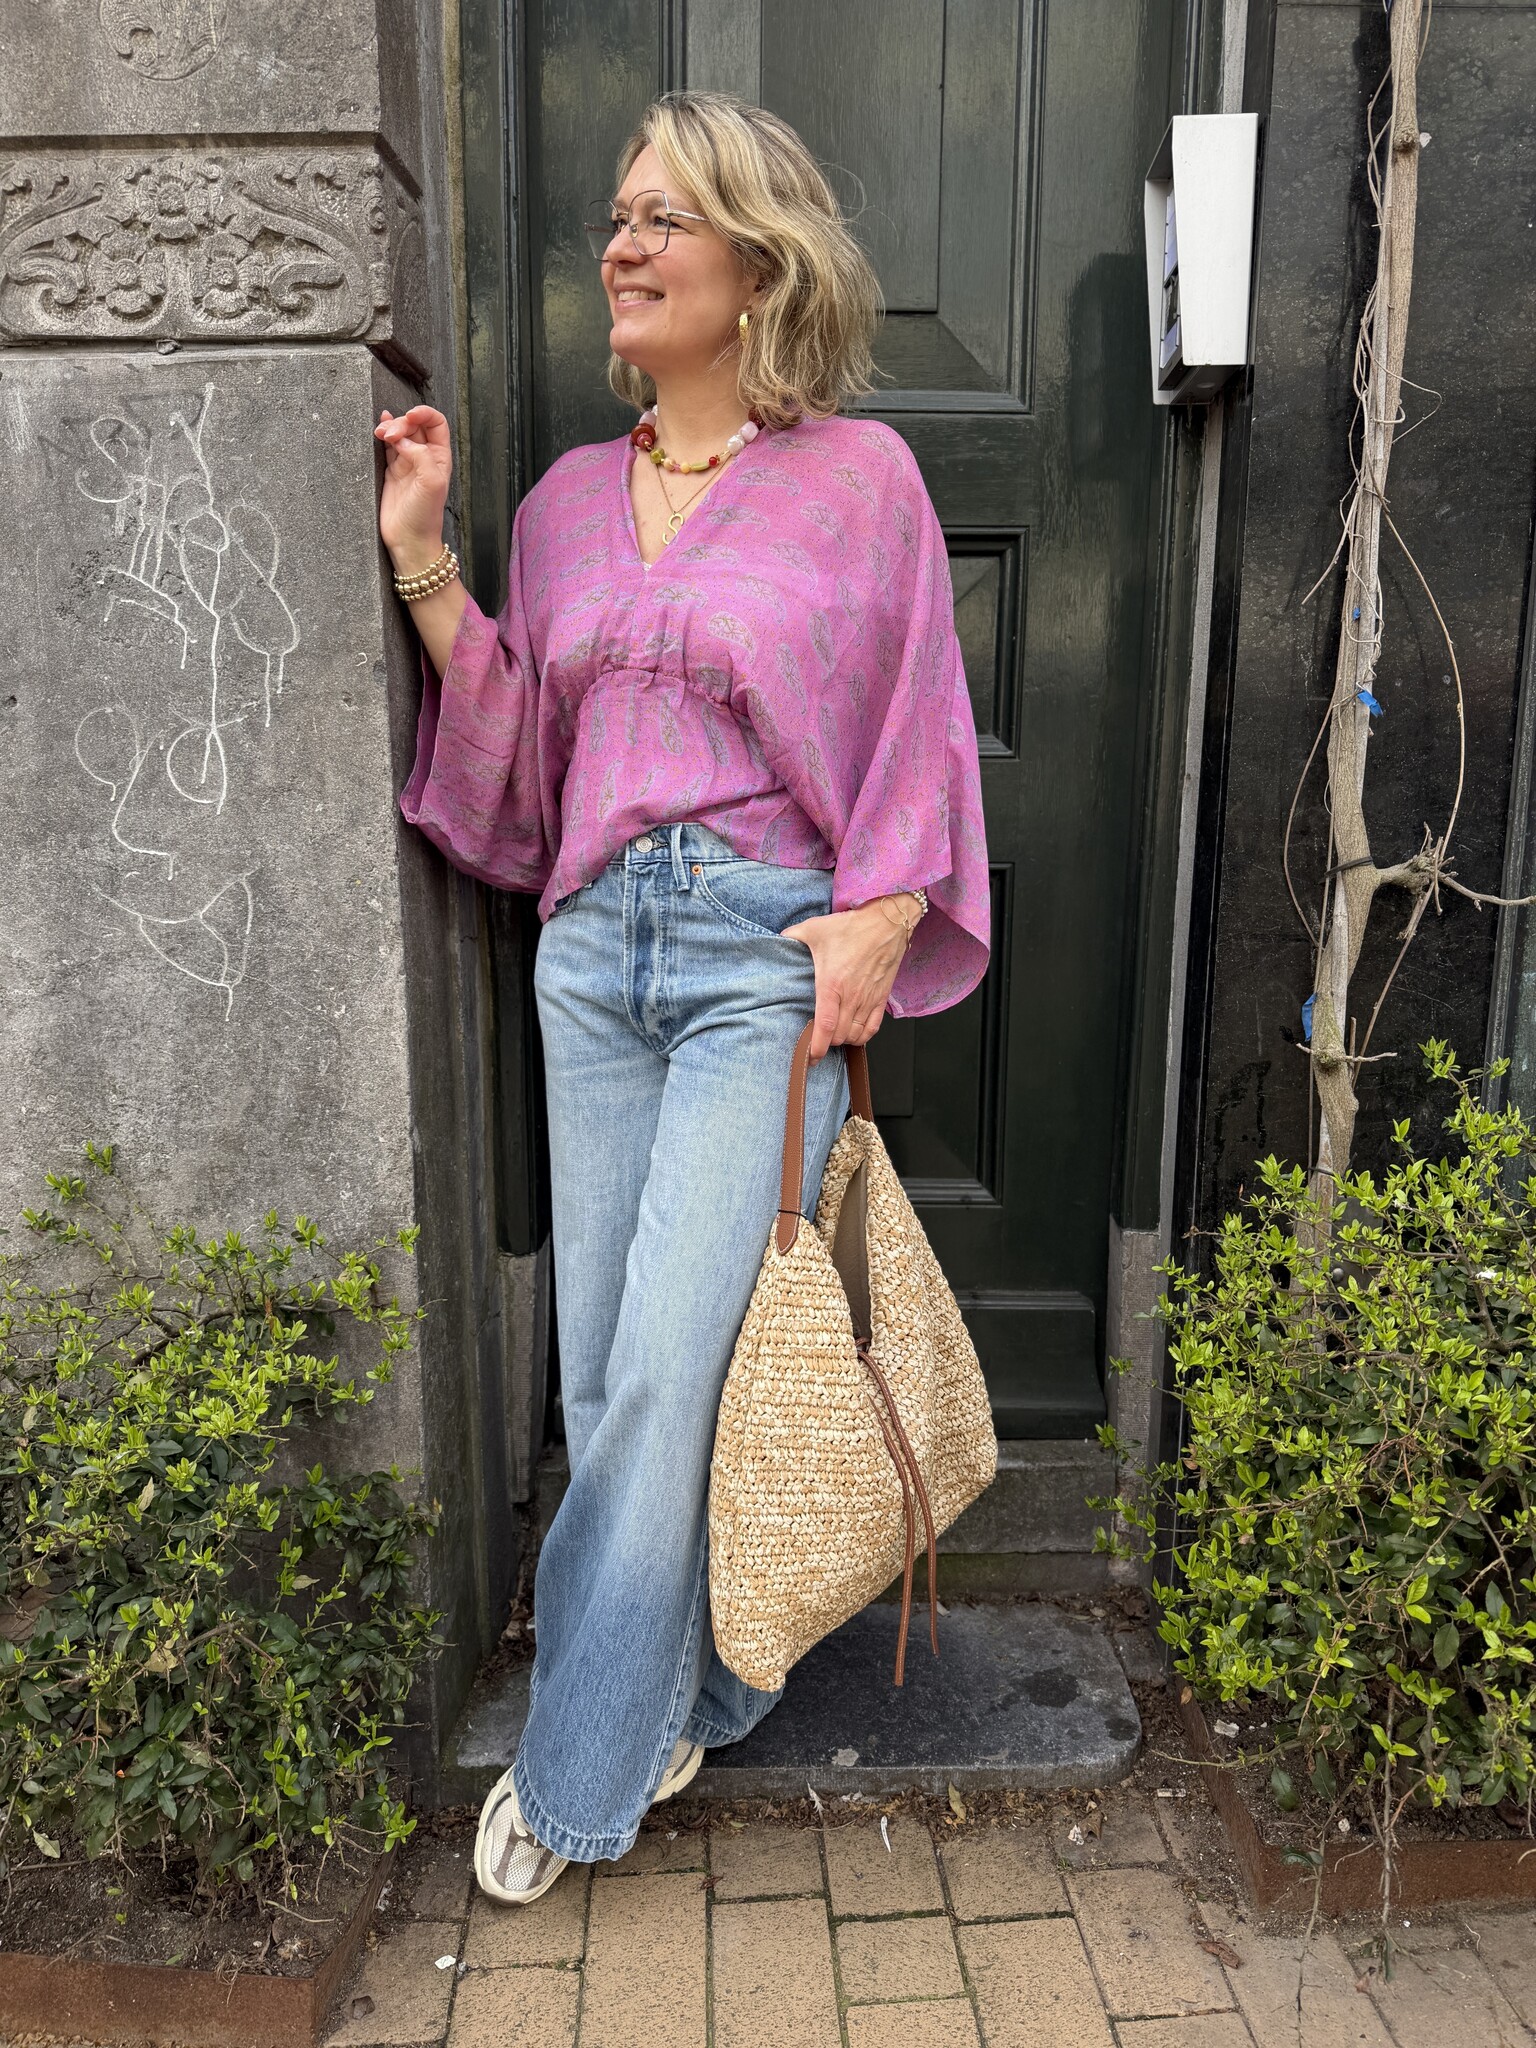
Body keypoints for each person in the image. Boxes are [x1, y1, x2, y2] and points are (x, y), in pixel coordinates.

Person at [375, 88, 990, 1905]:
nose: (622, 248)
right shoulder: (566, 502)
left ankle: (578, 1768)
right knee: (604, 1369)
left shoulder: (860, 483)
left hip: (754, 962)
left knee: (663, 1371)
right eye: (617, 219)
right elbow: (521, 755)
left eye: (663, 219)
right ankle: (699, 1686)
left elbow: (921, 716)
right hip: (592, 960)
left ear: (757, 263)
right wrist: (424, 555)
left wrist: (880, 919)